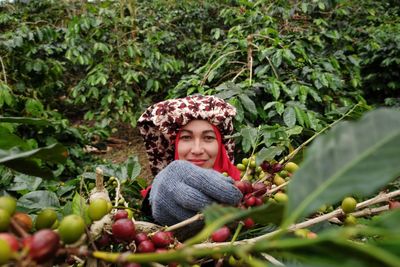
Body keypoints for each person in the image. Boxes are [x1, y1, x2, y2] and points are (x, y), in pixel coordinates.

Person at [137, 95, 243, 227]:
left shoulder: (247, 184)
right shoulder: (162, 189)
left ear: (221, 145)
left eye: (208, 138)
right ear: (175, 145)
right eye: (186, 137)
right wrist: (152, 203)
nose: (197, 150)